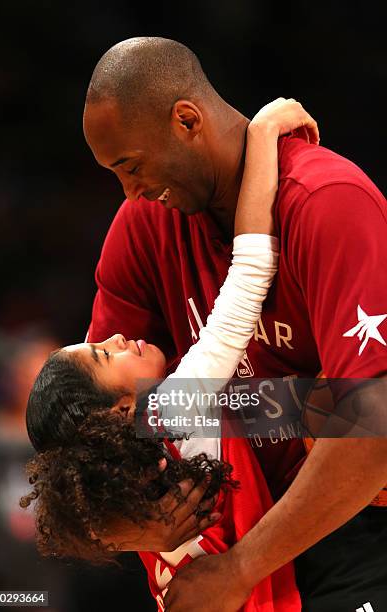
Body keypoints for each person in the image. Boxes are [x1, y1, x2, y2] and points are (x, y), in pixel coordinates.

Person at [83, 37, 387, 612]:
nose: (131, 192)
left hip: (344, 531)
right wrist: (129, 524)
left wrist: (243, 567)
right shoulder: (145, 224)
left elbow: (375, 430)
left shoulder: (328, 201)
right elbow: (97, 429)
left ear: (186, 120)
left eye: (131, 166)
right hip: (222, 542)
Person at [22, 100, 312, 610]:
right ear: (123, 412)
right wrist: (263, 137)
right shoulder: (167, 408)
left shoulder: (114, 482)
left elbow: (253, 411)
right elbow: (247, 277)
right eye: (104, 355)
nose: (115, 338)